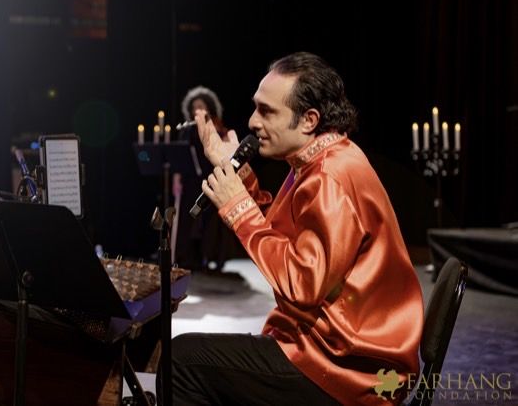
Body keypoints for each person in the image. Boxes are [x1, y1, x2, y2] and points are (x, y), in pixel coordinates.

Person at [162, 53, 423, 405]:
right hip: (329, 346)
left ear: (309, 120)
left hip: (346, 367)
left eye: (267, 111)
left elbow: (302, 285)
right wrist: (239, 176)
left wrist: (238, 209)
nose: (252, 122)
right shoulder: (320, 159)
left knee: (181, 361)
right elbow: (284, 236)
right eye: (255, 108)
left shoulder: (329, 177)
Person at [174, 86, 244, 271]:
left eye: (201, 106)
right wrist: (176, 180)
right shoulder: (187, 130)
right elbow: (179, 157)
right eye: (194, 107)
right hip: (190, 181)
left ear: (209, 107)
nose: (197, 110)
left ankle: (212, 257)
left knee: (210, 222)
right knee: (189, 221)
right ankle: (188, 257)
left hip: (211, 177)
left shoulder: (216, 127)